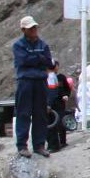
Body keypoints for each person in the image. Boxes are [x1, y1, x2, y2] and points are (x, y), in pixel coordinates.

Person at [11, 15, 53, 157]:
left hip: (41, 82)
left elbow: (49, 63)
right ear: (24, 30)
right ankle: (22, 146)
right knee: (23, 113)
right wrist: (39, 59)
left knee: (40, 114)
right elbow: (23, 60)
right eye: (31, 28)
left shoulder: (43, 45)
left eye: (35, 27)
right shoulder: (18, 45)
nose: (34, 30)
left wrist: (36, 59)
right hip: (25, 82)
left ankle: (39, 145)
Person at [45, 61, 72, 151]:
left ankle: (60, 142)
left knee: (59, 122)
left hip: (58, 103)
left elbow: (65, 89)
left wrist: (66, 95)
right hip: (50, 103)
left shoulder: (56, 77)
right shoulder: (47, 77)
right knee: (50, 125)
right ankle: (52, 145)